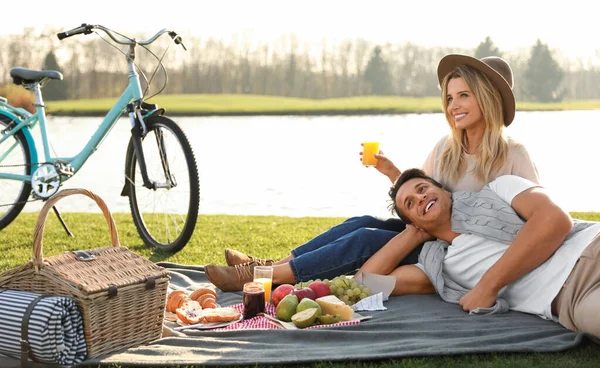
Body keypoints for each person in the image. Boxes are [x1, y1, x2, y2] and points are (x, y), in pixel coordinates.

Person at [205, 54, 540, 291]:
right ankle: (269, 266)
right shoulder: (445, 149)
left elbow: (531, 221)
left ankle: (260, 275)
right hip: (428, 232)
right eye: (450, 98)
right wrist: (392, 172)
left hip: (459, 252)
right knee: (361, 223)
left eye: (464, 96)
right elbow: (418, 197)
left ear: (488, 98)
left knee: (364, 240)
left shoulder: (513, 155)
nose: (453, 106)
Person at [381, 168, 600, 338]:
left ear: (445, 191)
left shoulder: (500, 188)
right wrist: (410, 237)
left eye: (422, 189)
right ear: (414, 224)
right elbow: (368, 283)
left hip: (591, 245)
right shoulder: (439, 266)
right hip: (573, 300)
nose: (420, 198)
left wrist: (488, 286)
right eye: (410, 203)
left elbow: (555, 219)